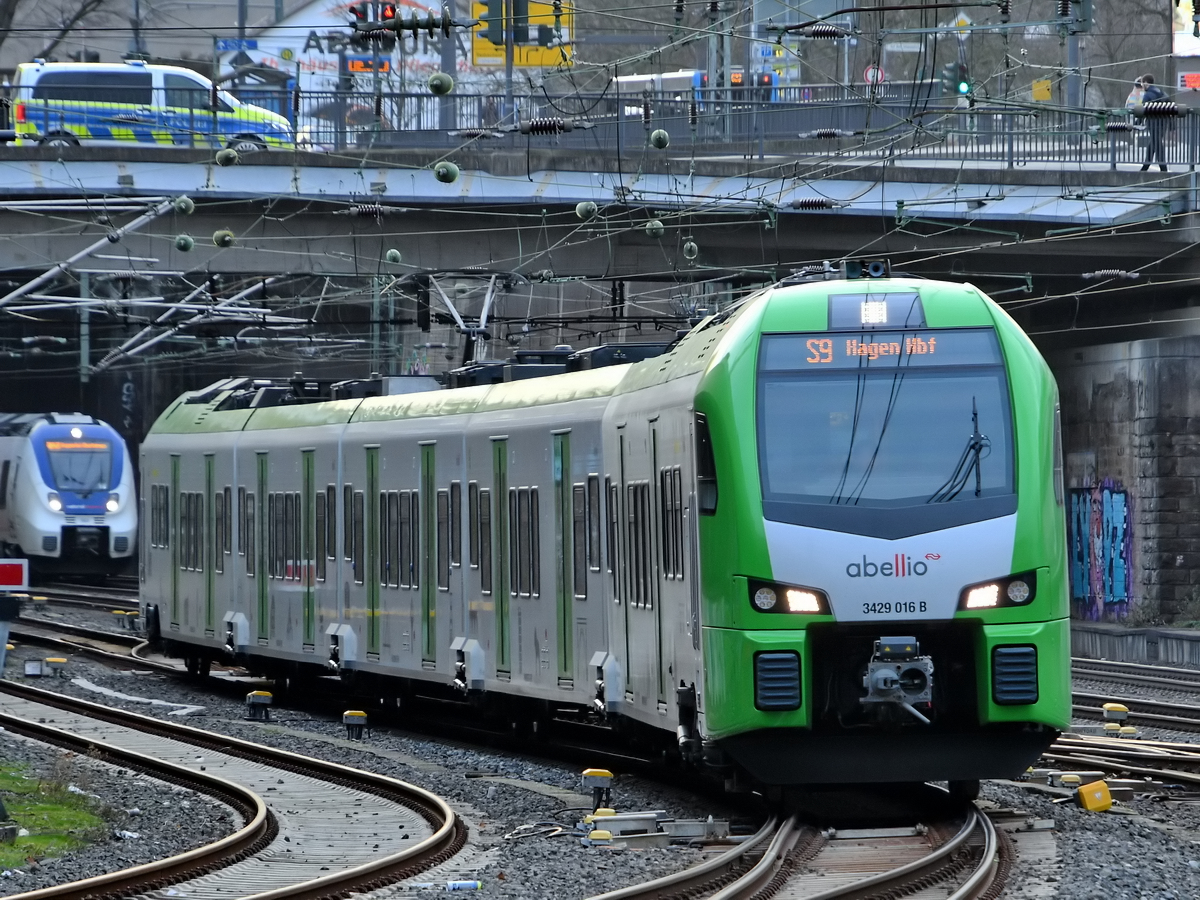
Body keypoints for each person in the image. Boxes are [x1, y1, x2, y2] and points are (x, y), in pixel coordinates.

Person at [1138, 74, 1169, 172]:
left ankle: (1163, 168)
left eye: (1142, 83)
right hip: (1163, 122)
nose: (1142, 85)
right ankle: (1145, 167)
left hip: (1153, 122)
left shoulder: (1148, 95)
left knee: (1157, 144)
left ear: (1146, 83)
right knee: (1154, 143)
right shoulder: (1160, 91)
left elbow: (1143, 110)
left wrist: (1137, 122)